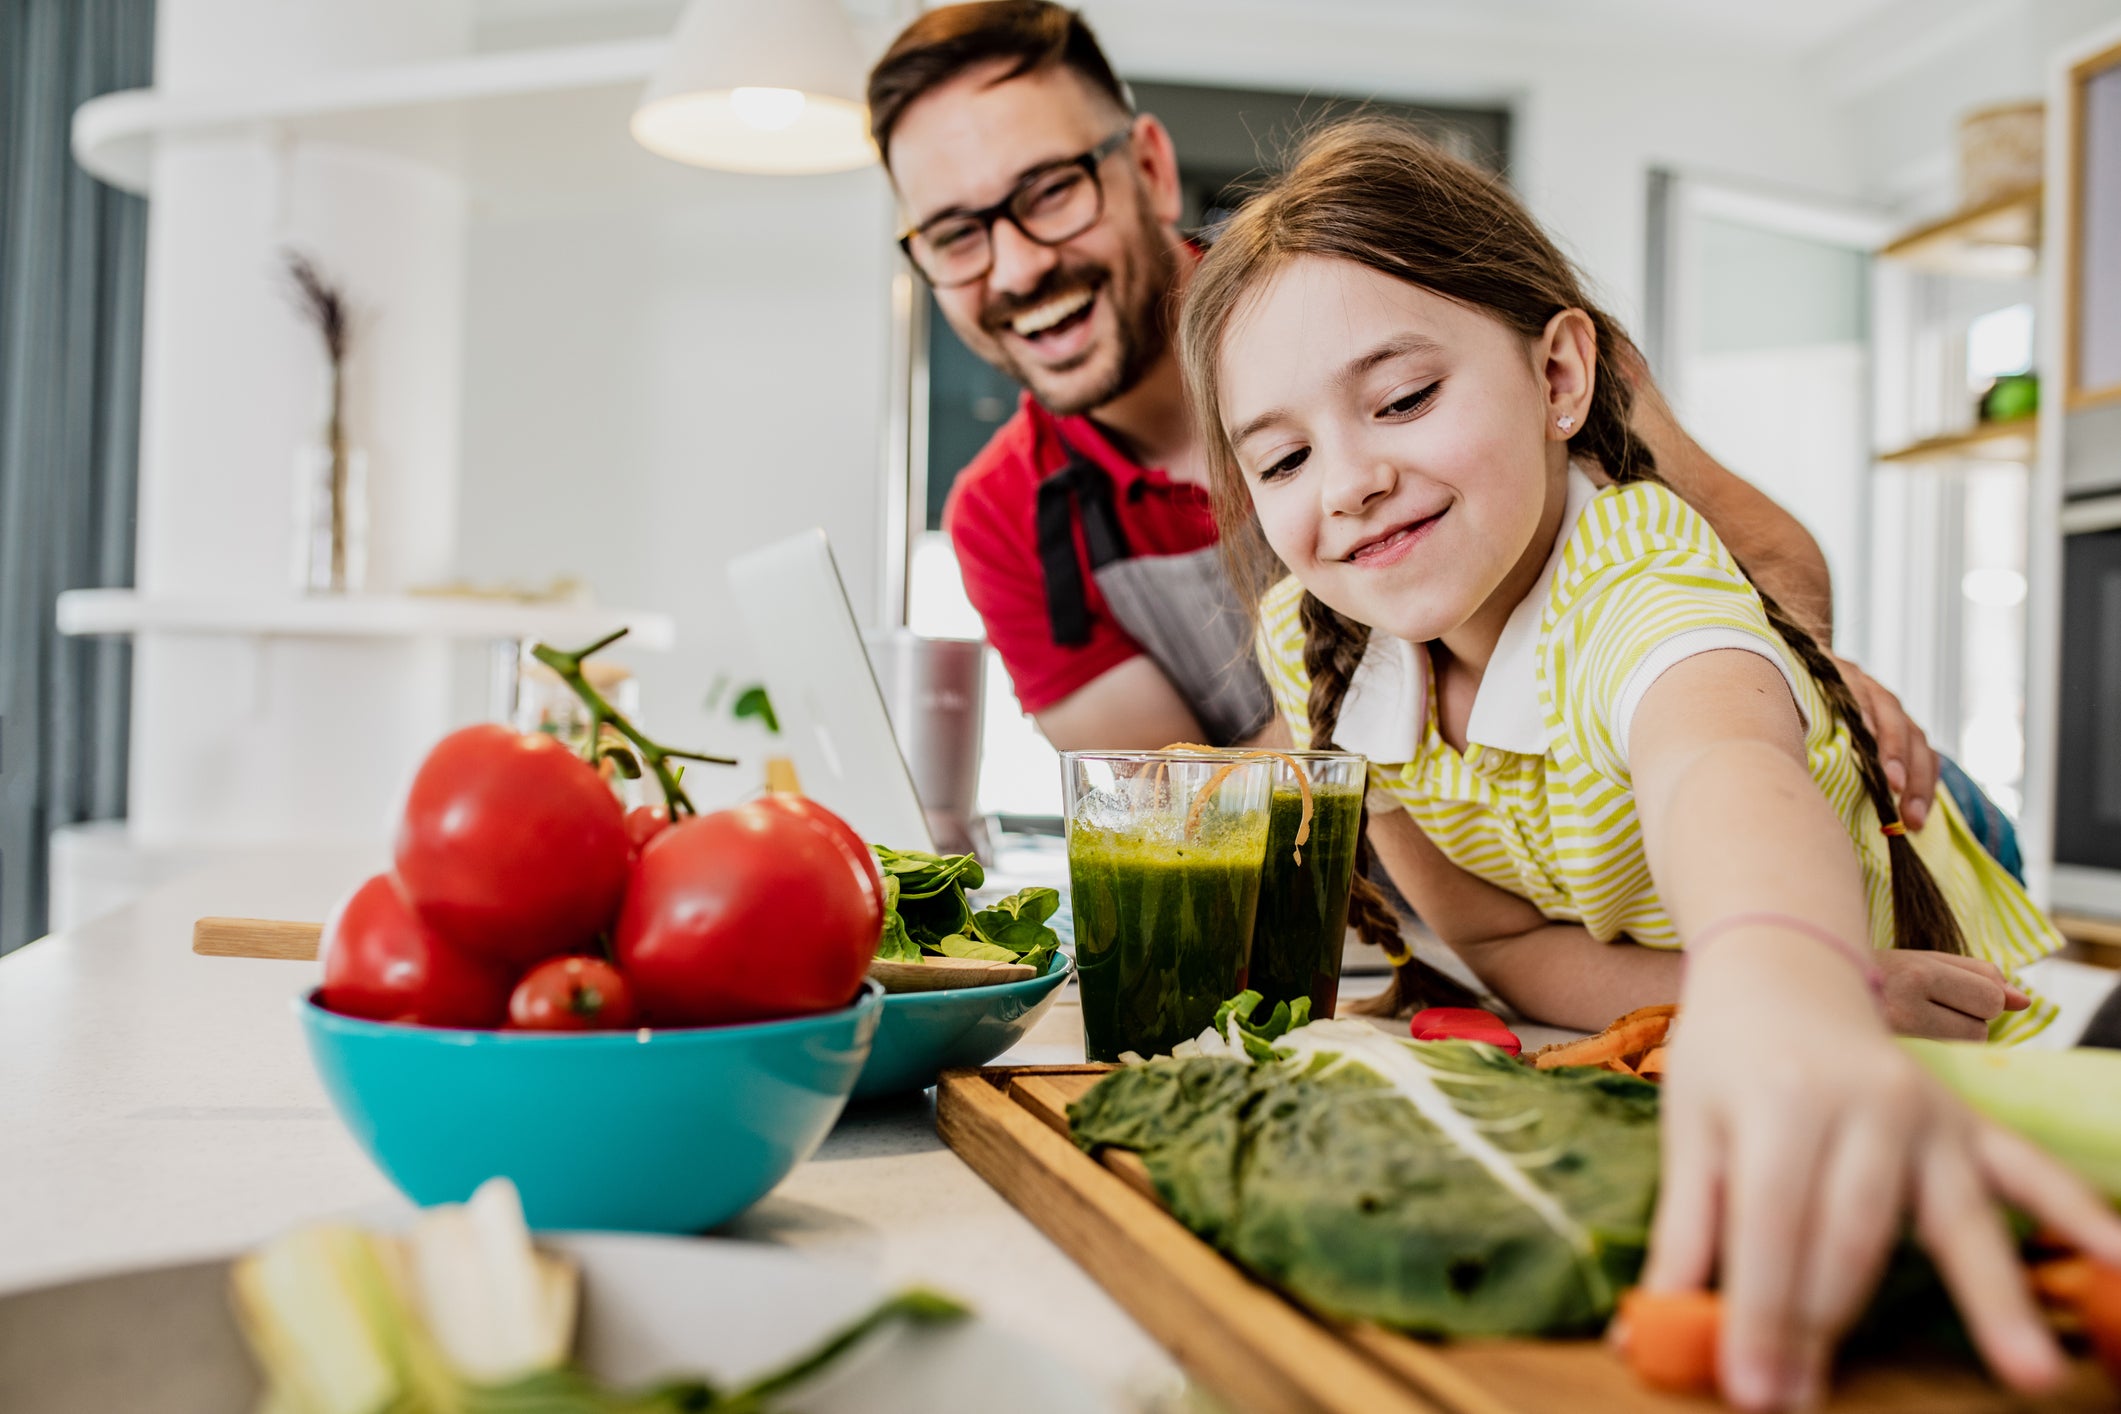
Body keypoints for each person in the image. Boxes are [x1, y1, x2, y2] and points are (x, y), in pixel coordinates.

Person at [1177, 115, 2118, 1411]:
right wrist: (1740, 987)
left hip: (1940, 901)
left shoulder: (1637, 573)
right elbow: (1504, 947)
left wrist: (1786, 975)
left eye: (1402, 398)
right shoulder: (1322, 648)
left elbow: (1718, 767)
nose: (1348, 481)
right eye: (1282, 455)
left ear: (1560, 375)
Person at [864, 0, 1947, 846]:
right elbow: (1178, 813)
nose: (1016, 265)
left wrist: (1764, 671)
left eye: (1050, 191)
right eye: (957, 234)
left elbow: (1765, 560)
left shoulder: (1436, 307)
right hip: (1465, 912)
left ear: (1147, 166)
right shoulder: (1004, 516)